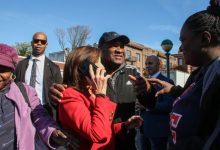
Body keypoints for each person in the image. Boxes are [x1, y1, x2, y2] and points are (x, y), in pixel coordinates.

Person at [130, 0, 220, 149]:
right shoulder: (200, 73)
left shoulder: (216, 73)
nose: (180, 48)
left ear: (205, 38)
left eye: (183, 40)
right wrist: (169, 91)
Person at [49, 31, 145, 150]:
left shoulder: (91, 91)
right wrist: (100, 94)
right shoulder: (71, 95)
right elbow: (97, 134)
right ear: (84, 68)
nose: (102, 68)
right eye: (98, 64)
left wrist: (125, 126)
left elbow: (104, 127)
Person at [0, 43, 71, 150]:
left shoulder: (24, 91)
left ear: (12, 71)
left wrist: (52, 131)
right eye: (36, 40)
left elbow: (39, 115)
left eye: (3, 69)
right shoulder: (24, 64)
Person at [15, 32, 62, 120]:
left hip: (45, 112)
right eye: (36, 41)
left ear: (46, 44)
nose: (39, 43)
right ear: (31, 43)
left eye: (42, 42)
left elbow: (59, 93)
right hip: (23, 110)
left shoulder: (54, 68)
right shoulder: (20, 65)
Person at [138, 55, 174, 150]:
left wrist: (147, 106)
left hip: (158, 131)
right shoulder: (144, 81)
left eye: (150, 63)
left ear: (159, 64)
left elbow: (168, 105)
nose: (147, 66)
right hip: (143, 130)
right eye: (146, 64)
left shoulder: (167, 82)